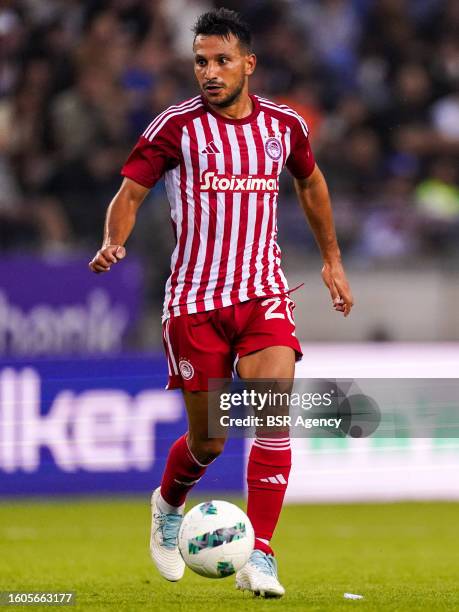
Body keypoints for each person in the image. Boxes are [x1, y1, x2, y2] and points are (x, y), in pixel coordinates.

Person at [89, 8, 353, 598]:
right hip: (195, 302)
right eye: (201, 62)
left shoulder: (284, 125)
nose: (209, 72)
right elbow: (131, 191)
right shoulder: (175, 127)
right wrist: (114, 240)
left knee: (272, 418)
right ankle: (167, 503)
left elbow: (311, 184)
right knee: (210, 441)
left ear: (248, 65)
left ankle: (261, 554)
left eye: (221, 61)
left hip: (263, 294)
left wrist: (332, 260)